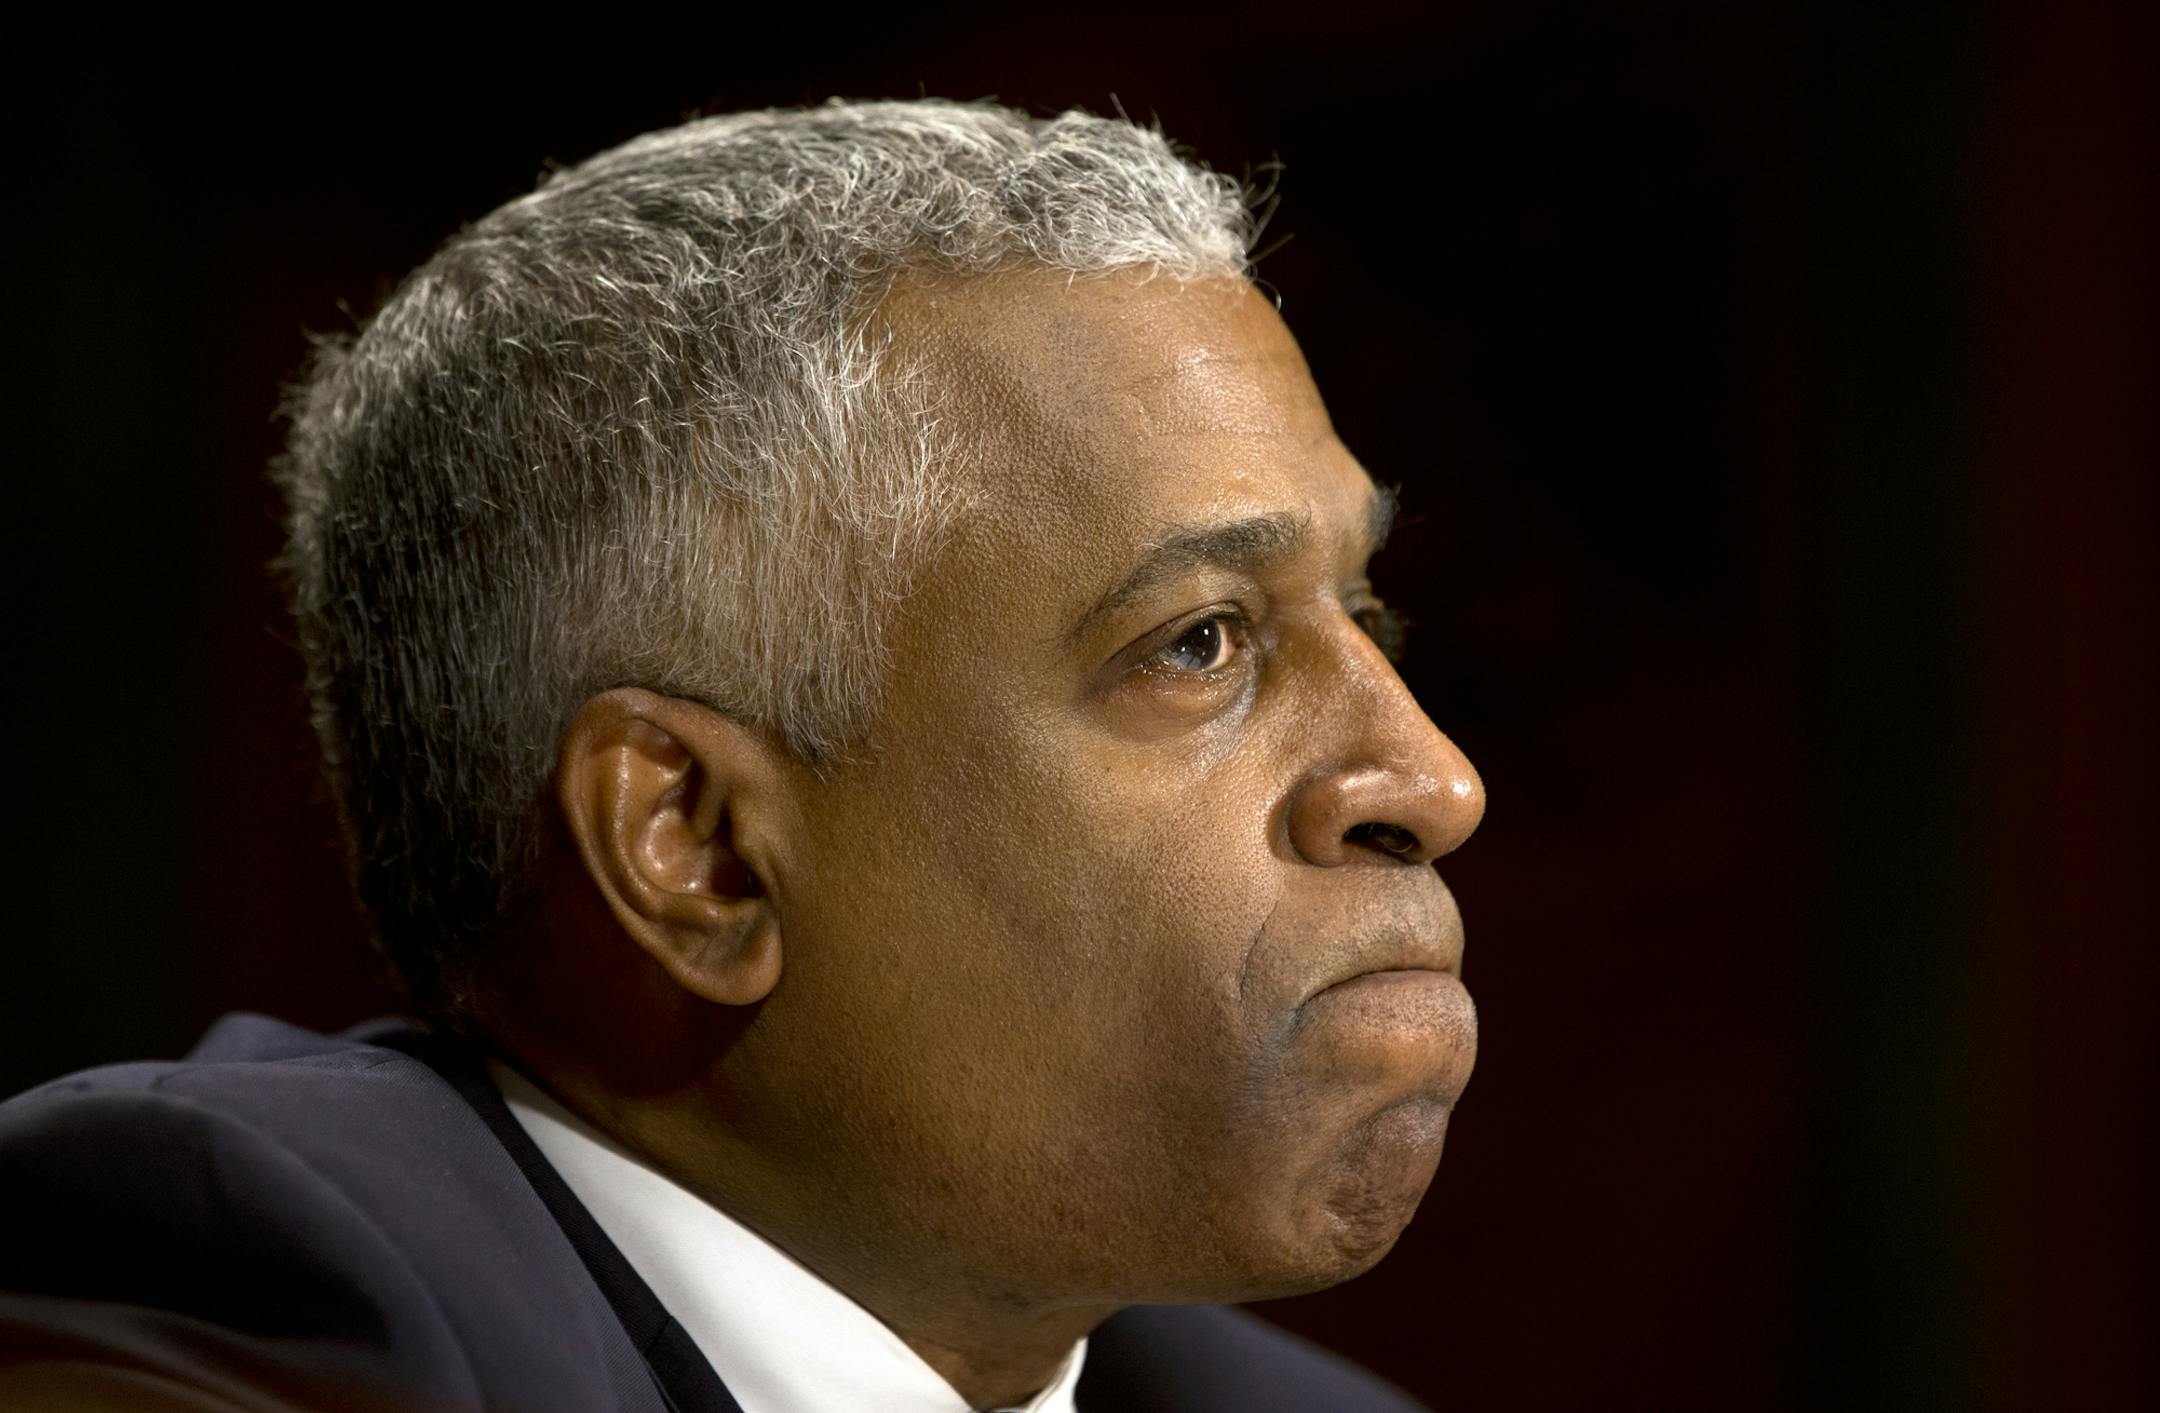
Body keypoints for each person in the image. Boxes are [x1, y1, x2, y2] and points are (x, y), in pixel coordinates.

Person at [0, 99, 1484, 1412]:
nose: (1433, 782)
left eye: (1364, 610)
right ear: (698, 845)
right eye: (1200, 641)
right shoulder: (258, 1297)